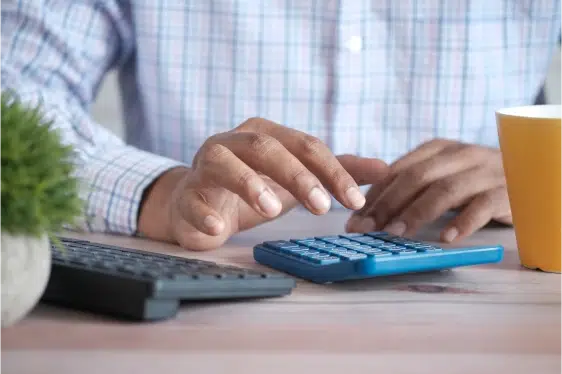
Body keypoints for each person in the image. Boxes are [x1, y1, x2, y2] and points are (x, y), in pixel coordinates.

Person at [1, 2, 561, 251]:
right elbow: (13, 97)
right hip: (198, 300)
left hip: (496, 310)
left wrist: (548, 176)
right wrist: (161, 194)